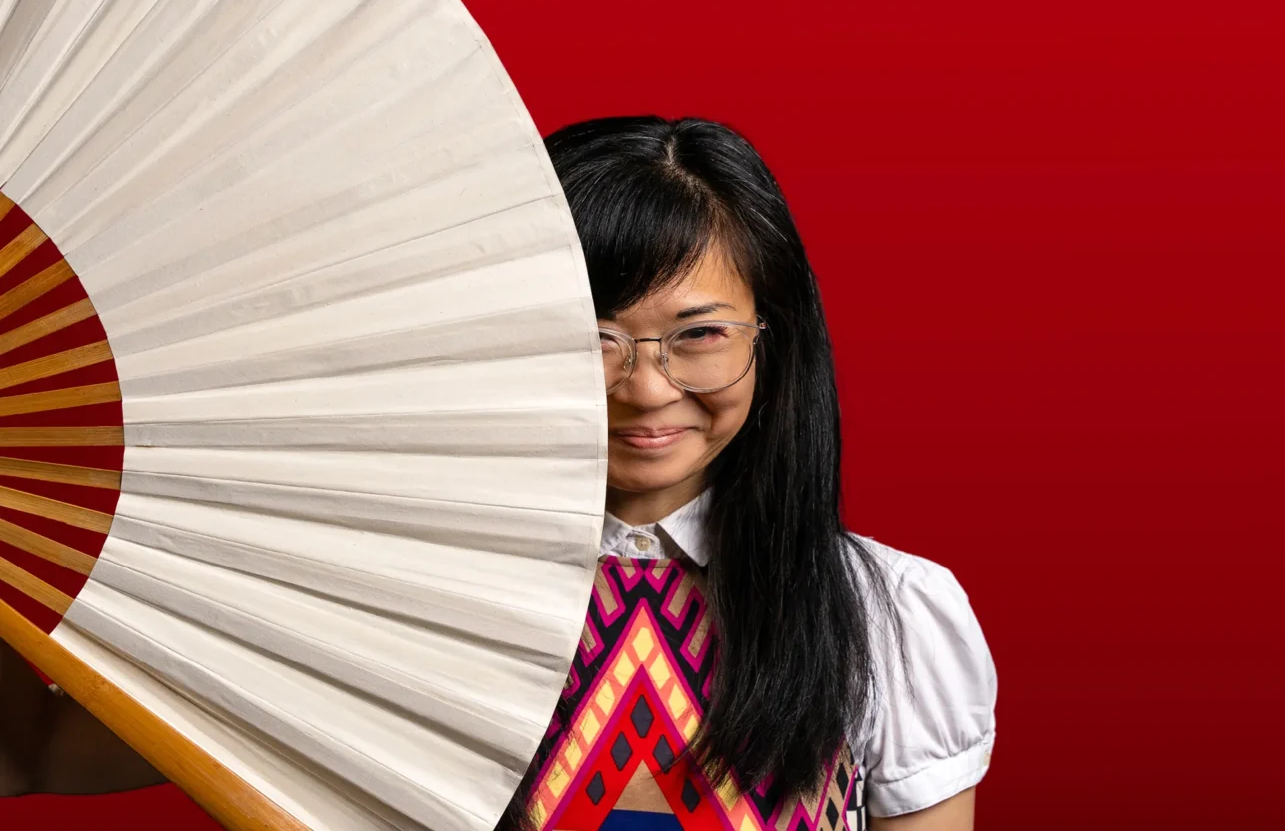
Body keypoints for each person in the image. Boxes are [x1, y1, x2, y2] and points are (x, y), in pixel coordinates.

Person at [0, 116, 996, 831]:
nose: (646, 388)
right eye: (589, 336)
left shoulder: (886, 614)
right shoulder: (376, 592)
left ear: (773, 342)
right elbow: (30, 754)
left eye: (697, 336)